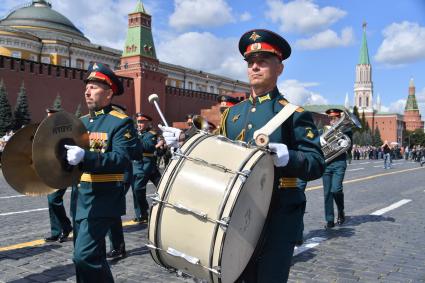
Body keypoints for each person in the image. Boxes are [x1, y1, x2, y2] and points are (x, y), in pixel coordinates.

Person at [160, 29, 325, 283]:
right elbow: (217, 156)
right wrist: (184, 142)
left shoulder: (293, 114)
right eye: (250, 63)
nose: (255, 68)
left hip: (278, 216)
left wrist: (289, 157)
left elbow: (316, 164)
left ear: (279, 68)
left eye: (263, 61)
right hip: (236, 213)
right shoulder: (233, 114)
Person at [65, 62, 139, 282]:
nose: (88, 91)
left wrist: (85, 157)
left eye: (95, 87)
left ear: (109, 93)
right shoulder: (81, 122)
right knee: (88, 257)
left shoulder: (120, 123)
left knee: (84, 256)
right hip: (80, 197)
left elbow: (121, 158)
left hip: (103, 197)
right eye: (87, 87)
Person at [44, 108, 73, 243]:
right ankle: (56, 231)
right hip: (51, 172)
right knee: (51, 201)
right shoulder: (47, 135)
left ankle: (66, 227)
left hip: (63, 172)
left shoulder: (66, 135)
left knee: (54, 199)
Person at [321, 108, 352, 229]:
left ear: (339, 118)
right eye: (331, 118)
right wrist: (319, 140)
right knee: (327, 192)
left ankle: (341, 211)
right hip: (327, 164)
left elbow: (349, 146)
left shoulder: (346, 130)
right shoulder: (323, 130)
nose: (332, 121)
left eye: (335, 118)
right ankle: (329, 219)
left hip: (339, 163)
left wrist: (343, 144)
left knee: (336, 189)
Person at [131, 113, 160, 223]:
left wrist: (136, 138)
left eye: (142, 122)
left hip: (146, 165)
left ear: (148, 123)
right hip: (136, 165)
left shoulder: (151, 134)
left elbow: (148, 147)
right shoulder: (136, 133)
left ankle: (146, 211)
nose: (139, 124)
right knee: (135, 191)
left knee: (138, 188)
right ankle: (141, 214)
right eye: (138, 122)